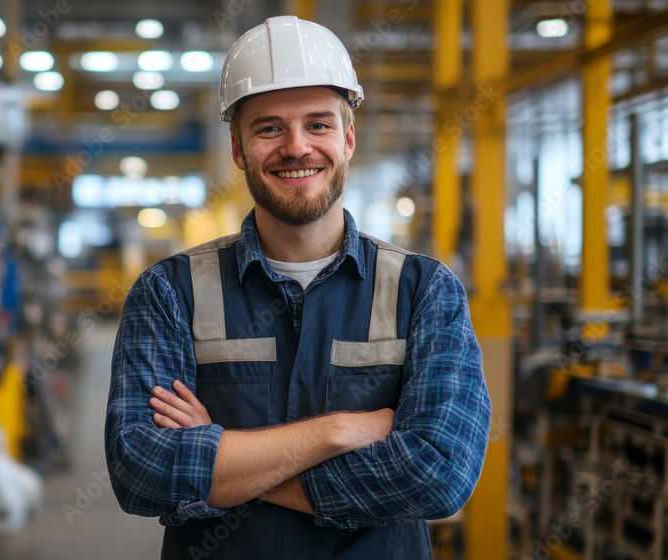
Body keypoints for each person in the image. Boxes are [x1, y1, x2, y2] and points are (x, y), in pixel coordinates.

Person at [104, 15, 491, 560]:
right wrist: (339, 431)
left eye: (318, 124)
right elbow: (141, 470)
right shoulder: (169, 293)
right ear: (238, 150)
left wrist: (222, 458)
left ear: (348, 138)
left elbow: (437, 475)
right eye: (269, 128)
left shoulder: (425, 291)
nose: (296, 147)